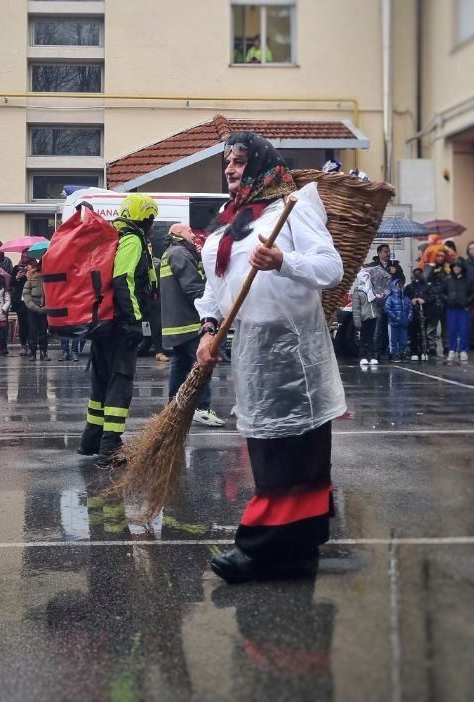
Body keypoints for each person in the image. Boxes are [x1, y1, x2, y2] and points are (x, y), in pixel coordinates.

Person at [194, 131, 345, 584]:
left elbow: (330, 268)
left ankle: (256, 549)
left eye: (238, 161)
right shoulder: (227, 223)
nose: (230, 169)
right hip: (252, 347)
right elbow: (215, 285)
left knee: (290, 452)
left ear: (260, 163)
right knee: (270, 447)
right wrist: (207, 328)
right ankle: (299, 548)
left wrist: (283, 261)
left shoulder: (291, 208)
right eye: (226, 163)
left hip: (293, 348)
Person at [79, 193, 157, 466]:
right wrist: (134, 321)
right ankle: (110, 446)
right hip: (119, 325)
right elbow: (124, 280)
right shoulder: (132, 240)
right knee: (119, 383)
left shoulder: (113, 235)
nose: (153, 225)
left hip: (103, 321)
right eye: (152, 219)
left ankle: (91, 440)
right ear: (145, 218)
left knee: (101, 381)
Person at [159, 222, 219, 425]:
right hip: (189, 321)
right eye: (189, 231)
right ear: (178, 233)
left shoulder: (172, 252)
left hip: (176, 322)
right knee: (202, 364)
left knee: (180, 363)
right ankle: (202, 408)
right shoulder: (180, 253)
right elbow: (193, 287)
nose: (194, 235)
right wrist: (210, 309)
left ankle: (174, 406)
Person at [441, 258, 474, 363]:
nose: (456, 268)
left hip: (464, 309)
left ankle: (463, 350)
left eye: (458, 266)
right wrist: (448, 300)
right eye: (454, 266)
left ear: (462, 268)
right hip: (451, 309)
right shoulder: (447, 279)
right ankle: (452, 350)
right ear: (452, 268)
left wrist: (467, 301)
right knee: (451, 330)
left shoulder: (468, 280)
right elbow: (442, 293)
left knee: (464, 330)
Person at [22, 255, 50, 361]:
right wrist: (33, 306)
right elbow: (26, 294)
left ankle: (44, 352)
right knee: (32, 331)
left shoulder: (49, 276)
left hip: (45, 308)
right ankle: (33, 352)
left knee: (44, 331)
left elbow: (52, 293)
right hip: (33, 309)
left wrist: (47, 307)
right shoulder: (31, 275)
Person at [385, 264, 412, 362]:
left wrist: (408, 318)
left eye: (401, 285)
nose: (399, 287)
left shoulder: (406, 298)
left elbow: (410, 309)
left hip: (403, 323)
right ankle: (394, 354)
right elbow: (387, 309)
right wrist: (394, 317)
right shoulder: (390, 297)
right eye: (397, 285)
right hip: (393, 323)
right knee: (393, 340)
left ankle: (402, 354)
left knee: (403, 340)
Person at [11, 257, 33, 356]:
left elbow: (37, 282)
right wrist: (17, 277)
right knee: (22, 324)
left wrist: (30, 272)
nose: (25, 257)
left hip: (31, 299)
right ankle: (23, 345)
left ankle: (31, 345)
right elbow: (11, 283)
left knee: (30, 324)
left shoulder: (34, 268)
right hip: (20, 300)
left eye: (27, 255)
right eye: (23, 255)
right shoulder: (16, 268)